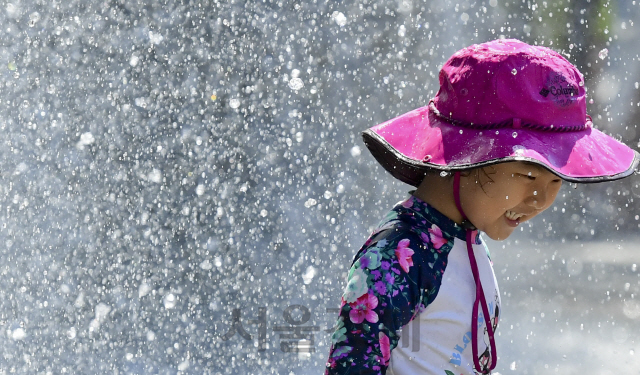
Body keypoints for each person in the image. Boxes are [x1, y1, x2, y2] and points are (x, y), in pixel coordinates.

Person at [324, 39, 639, 375]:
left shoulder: (466, 237)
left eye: (556, 180)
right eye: (528, 175)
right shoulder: (398, 255)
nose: (542, 200)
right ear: (469, 152)